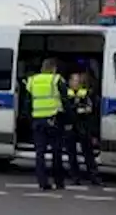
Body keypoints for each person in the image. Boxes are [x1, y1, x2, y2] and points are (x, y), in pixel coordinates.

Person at [25, 57, 67, 191]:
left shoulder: (32, 81)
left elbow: (27, 103)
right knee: (56, 152)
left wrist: (30, 119)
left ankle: (42, 182)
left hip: (38, 120)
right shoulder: (56, 80)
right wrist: (69, 120)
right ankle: (59, 182)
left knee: (40, 153)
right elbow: (65, 101)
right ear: (53, 68)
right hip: (54, 120)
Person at [63, 72, 101, 185]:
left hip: (83, 126)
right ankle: (75, 177)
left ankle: (93, 176)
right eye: (74, 80)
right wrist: (77, 110)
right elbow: (65, 109)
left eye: (78, 81)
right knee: (71, 154)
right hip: (70, 127)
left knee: (88, 153)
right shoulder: (65, 94)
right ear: (69, 82)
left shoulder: (86, 94)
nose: (76, 83)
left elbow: (90, 110)